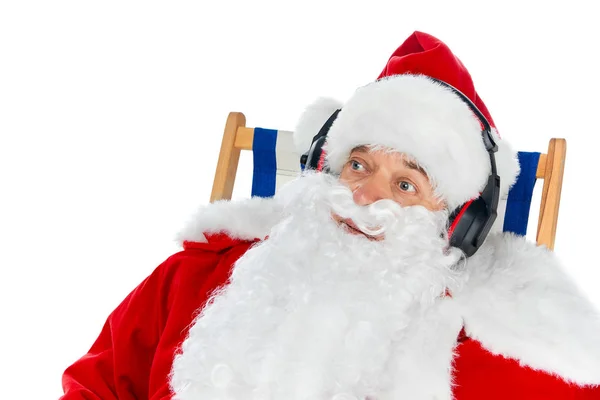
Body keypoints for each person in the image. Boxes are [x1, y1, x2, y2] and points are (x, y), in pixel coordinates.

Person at [60, 31, 600, 400]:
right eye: (357, 164)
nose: (365, 196)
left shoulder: (489, 341)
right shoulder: (196, 277)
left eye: (406, 183)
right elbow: (98, 383)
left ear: (457, 223)